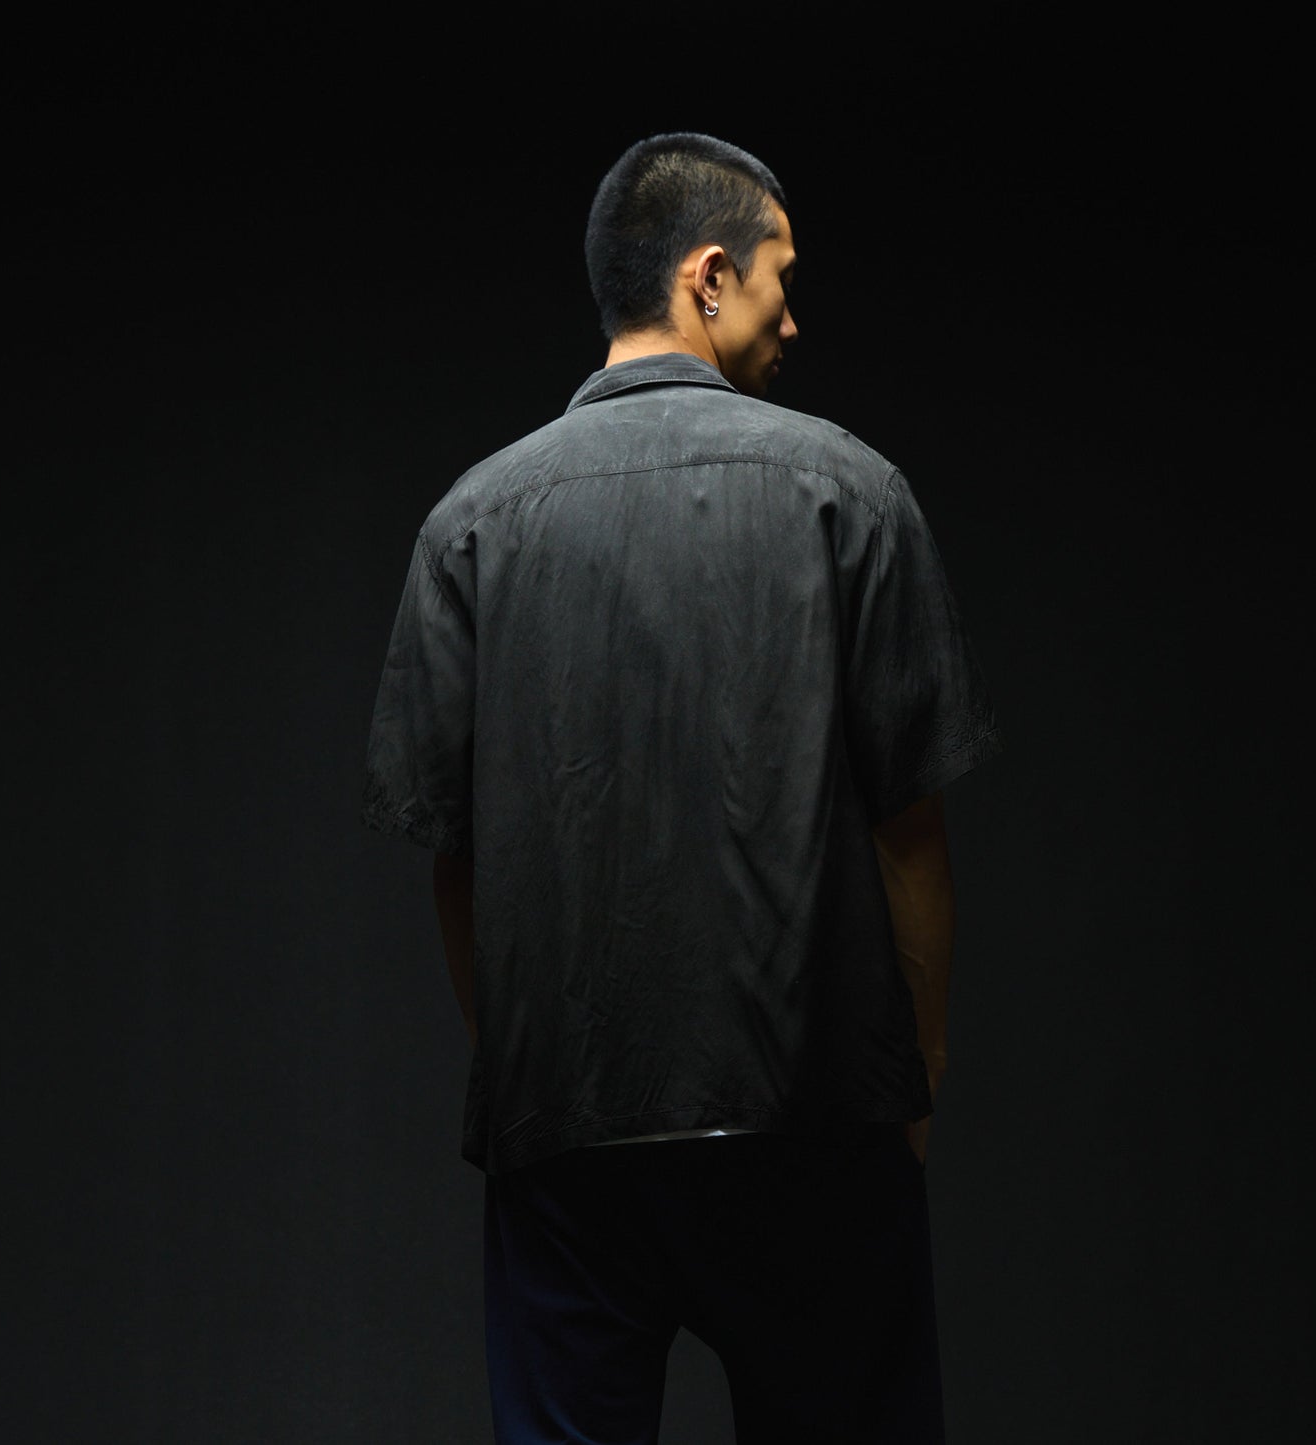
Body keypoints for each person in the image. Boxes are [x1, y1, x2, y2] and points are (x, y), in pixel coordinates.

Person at [361, 131, 1003, 1445]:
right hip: (819, 1122)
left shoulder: (470, 525)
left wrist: (532, 1082)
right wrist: (917, 1083)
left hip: (567, 1140)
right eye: (780, 279)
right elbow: (911, 835)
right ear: (708, 277)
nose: (793, 317)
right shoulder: (850, 492)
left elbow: (455, 862)